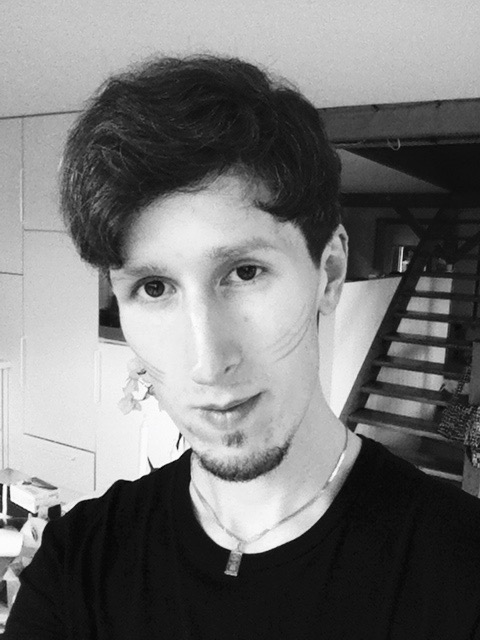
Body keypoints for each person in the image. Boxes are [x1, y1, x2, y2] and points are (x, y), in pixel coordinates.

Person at [5, 55, 480, 640]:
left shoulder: (462, 571)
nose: (208, 363)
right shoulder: (77, 561)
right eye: (153, 287)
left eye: (245, 272)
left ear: (329, 272)